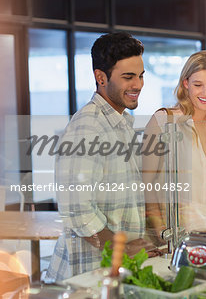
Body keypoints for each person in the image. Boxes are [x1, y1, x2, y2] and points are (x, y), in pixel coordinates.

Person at [46, 32, 158, 281]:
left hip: (113, 272)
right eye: (128, 77)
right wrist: (123, 249)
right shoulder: (88, 127)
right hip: (86, 278)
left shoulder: (121, 123)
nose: (138, 85)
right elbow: (77, 210)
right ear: (101, 77)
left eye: (140, 76)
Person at [143, 51, 206, 232]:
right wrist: (160, 228)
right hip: (173, 232)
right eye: (198, 85)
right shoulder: (163, 120)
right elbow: (146, 180)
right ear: (186, 83)